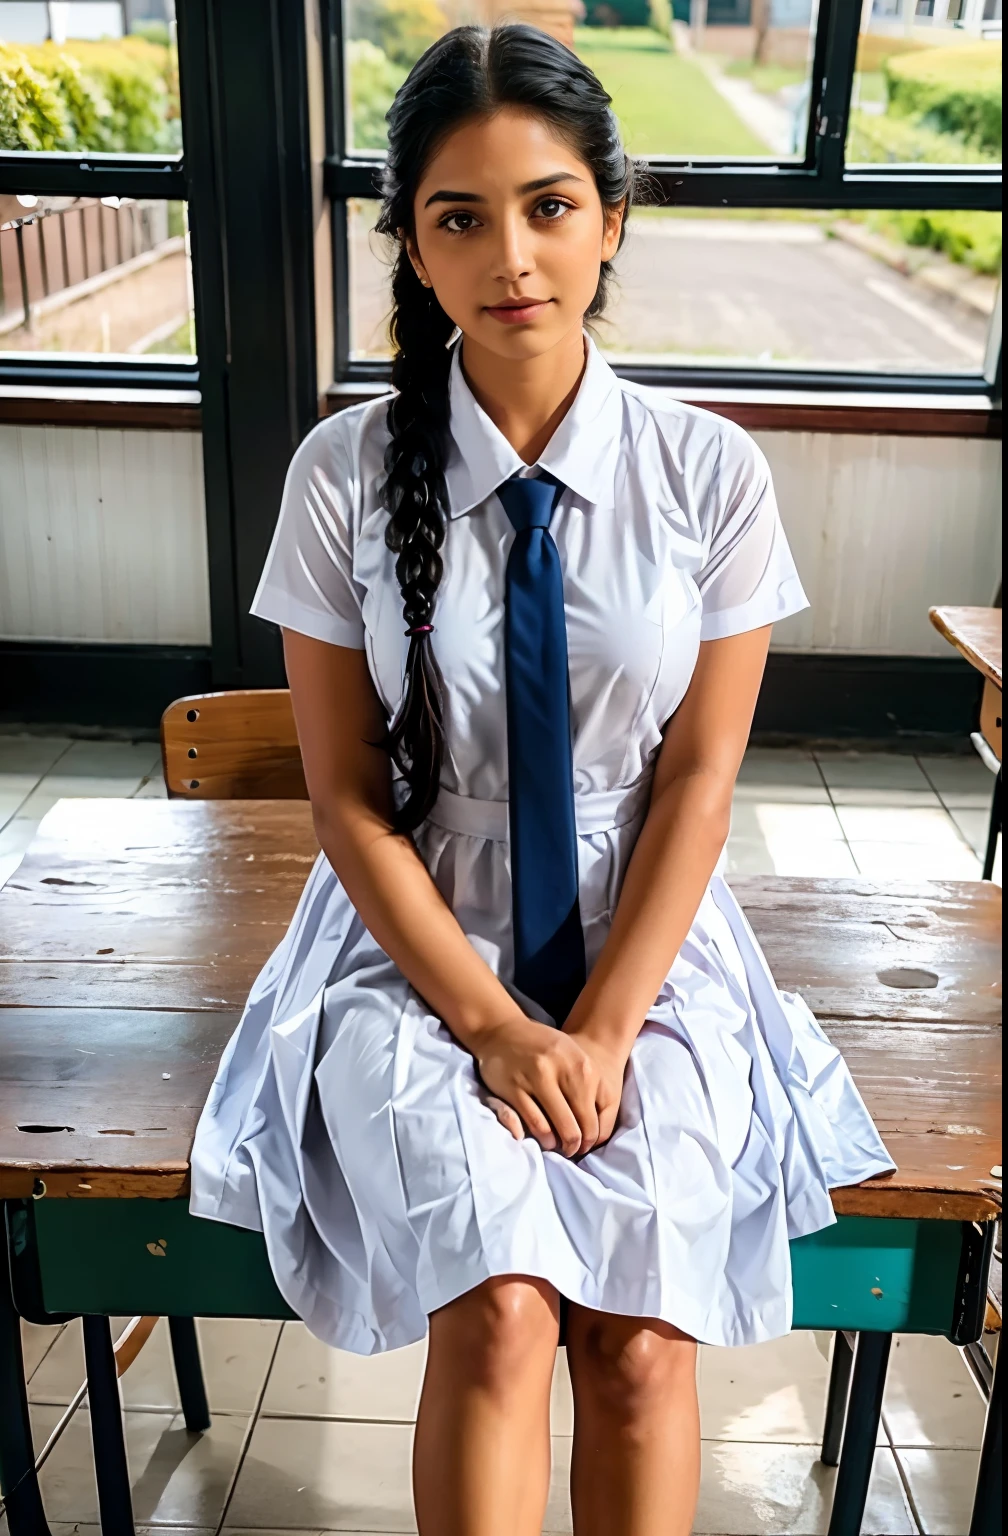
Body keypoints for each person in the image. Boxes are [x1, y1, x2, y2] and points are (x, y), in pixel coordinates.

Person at [190, 23, 893, 1536]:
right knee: (500, 1303)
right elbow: (346, 802)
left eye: (551, 205)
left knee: (642, 1332)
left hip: (650, 928)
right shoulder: (342, 475)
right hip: (416, 936)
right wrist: (500, 1027)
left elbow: (700, 779)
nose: (513, 254)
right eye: (460, 216)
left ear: (613, 219)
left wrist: (606, 1025)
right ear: (414, 250)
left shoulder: (709, 470)